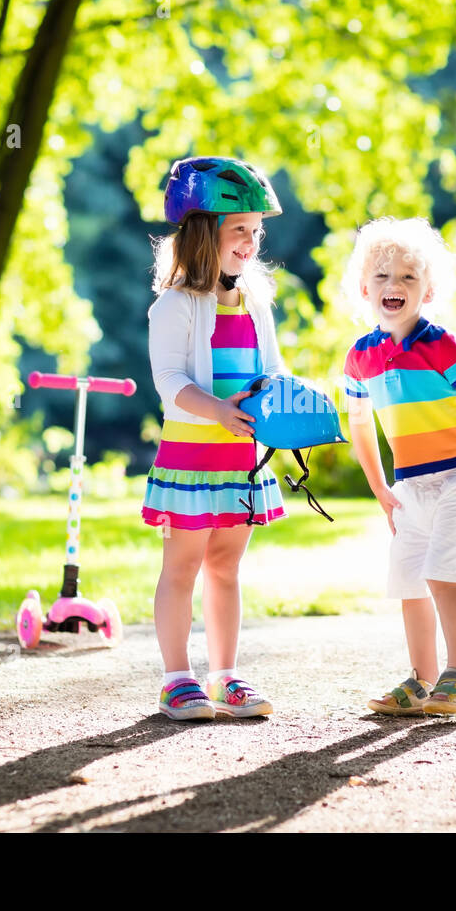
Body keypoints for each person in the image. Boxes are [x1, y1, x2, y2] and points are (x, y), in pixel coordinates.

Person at [142, 156, 286, 721]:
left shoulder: (256, 303)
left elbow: (270, 370)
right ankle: (177, 678)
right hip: (191, 460)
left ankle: (226, 675)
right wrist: (218, 412)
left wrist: (284, 406)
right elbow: (169, 380)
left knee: (226, 567)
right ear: (204, 233)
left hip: (241, 461)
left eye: (256, 231)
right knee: (182, 567)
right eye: (239, 230)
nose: (251, 242)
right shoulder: (175, 305)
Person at [341, 218, 456, 716]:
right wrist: (379, 488)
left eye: (408, 277)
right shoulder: (359, 358)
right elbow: (361, 428)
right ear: (365, 288)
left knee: (442, 574)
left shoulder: (441, 343)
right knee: (410, 580)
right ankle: (422, 681)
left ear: (427, 290)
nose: (395, 285)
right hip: (408, 485)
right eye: (384, 276)